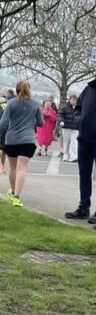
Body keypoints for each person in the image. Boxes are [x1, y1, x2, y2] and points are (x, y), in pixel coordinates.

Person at [0, 80, 44, 208]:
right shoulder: (35, 104)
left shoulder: (11, 103)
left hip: (12, 140)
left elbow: (4, 122)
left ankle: (12, 191)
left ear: (16, 91)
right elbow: (41, 123)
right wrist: (30, 122)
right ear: (29, 90)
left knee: (12, 168)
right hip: (28, 140)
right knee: (22, 168)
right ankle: (17, 196)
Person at [64, 77, 96, 224]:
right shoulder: (89, 89)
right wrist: (79, 121)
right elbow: (78, 108)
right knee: (84, 173)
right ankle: (84, 207)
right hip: (84, 138)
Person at [58, 94, 80, 163]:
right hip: (66, 127)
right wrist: (61, 121)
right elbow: (60, 115)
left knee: (74, 142)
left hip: (75, 127)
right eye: (72, 100)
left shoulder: (79, 108)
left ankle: (73, 157)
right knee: (66, 142)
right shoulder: (65, 107)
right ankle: (65, 156)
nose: (74, 101)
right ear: (70, 100)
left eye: (75, 100)